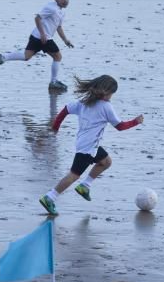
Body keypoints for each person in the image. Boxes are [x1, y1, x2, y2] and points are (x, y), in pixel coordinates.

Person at [39, 75, 143, 216]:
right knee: (74, 175)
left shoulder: (83, 102)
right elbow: (120, 126)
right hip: (87, 148)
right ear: (106, 92)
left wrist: (56, 127)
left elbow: (65, 110)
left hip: (88, 145)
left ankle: (85, 186)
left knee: (106, 162)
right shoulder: (106, 107)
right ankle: (50, 197)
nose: (112, 97)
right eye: (112, 93)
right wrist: (135, 122)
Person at [0, 0, 73, 91]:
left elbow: (59, 27)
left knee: (26, 56)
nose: (65, 1)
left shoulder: (62, 12)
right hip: (43, 38)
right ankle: (53, 82)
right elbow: (37, 18)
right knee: (58, 57)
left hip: (36, 36)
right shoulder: (51, 8)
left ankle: (2, 57)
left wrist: (65, 40)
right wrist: (43, 34)